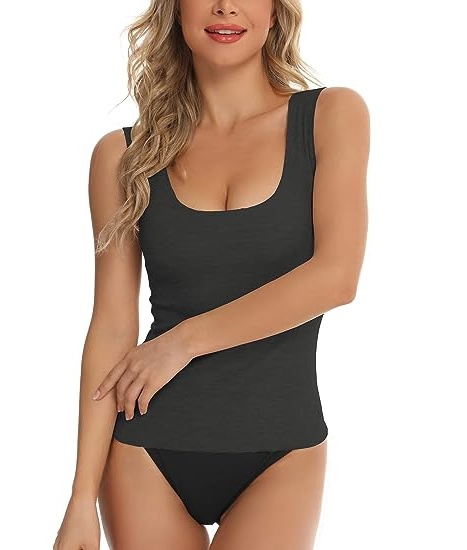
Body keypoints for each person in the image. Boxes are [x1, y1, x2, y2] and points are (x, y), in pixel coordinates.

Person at [53, 0, 369, 548]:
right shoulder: (122, 156)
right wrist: (80, 498)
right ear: (176, 10)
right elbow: (111, 327)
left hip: (282, 447)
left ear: (275, 11)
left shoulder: (331, 116)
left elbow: (336, 277)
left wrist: (182, 342)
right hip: (146, 447)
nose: (225, 5)